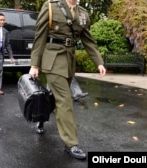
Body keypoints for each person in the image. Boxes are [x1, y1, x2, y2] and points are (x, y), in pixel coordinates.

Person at [29, 0, 106, 160]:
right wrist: (35, 64)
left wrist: (99, 62)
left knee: (55, 97)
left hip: (69, 61)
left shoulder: (83, 13)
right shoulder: (51, 6)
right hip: (52, 59)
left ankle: (41, 117)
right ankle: (71, 143)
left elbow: (88, 40)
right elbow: (40, 35)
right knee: (65, 100)